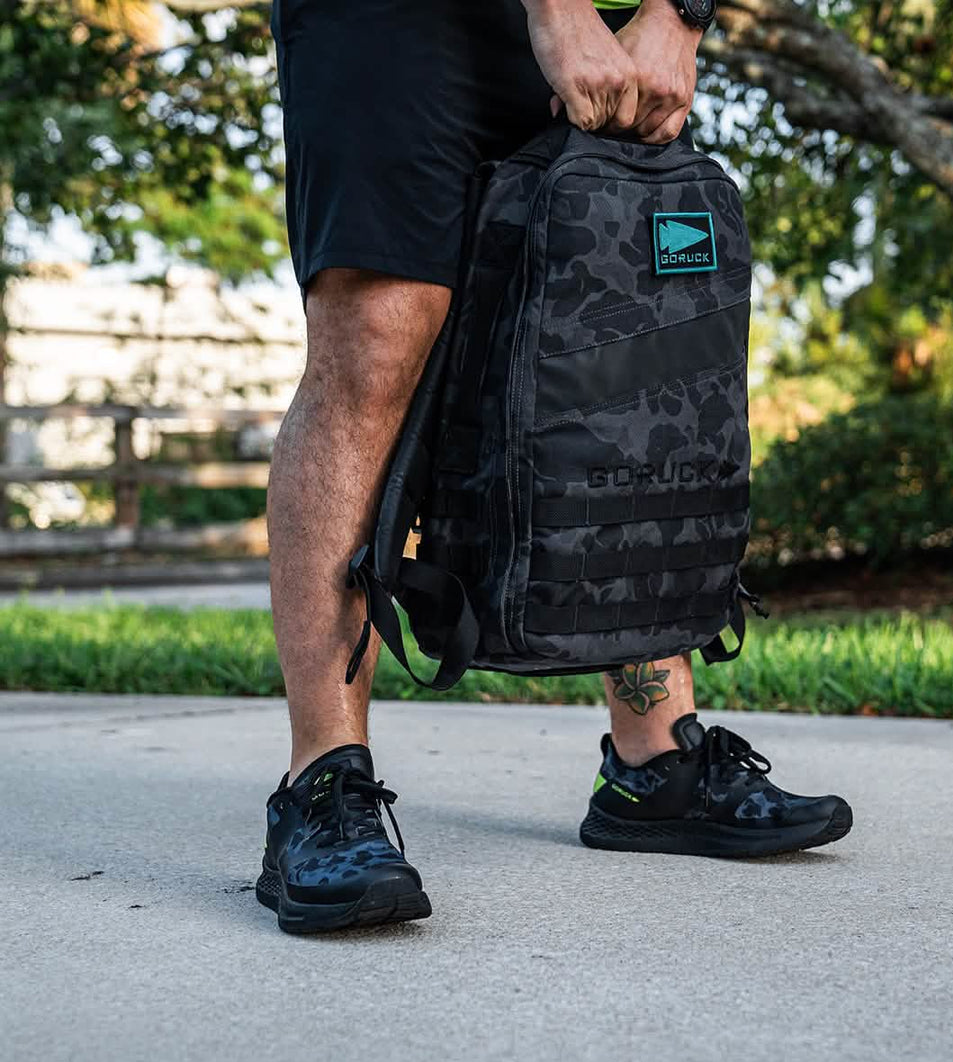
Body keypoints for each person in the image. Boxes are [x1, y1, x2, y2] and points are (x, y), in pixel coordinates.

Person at [259, 0, 852, 934]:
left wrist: (679, 17)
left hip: (616, 24)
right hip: (392, 22)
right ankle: (322, 785)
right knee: (378, 334)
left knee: (630, 337)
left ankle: (655, 765)